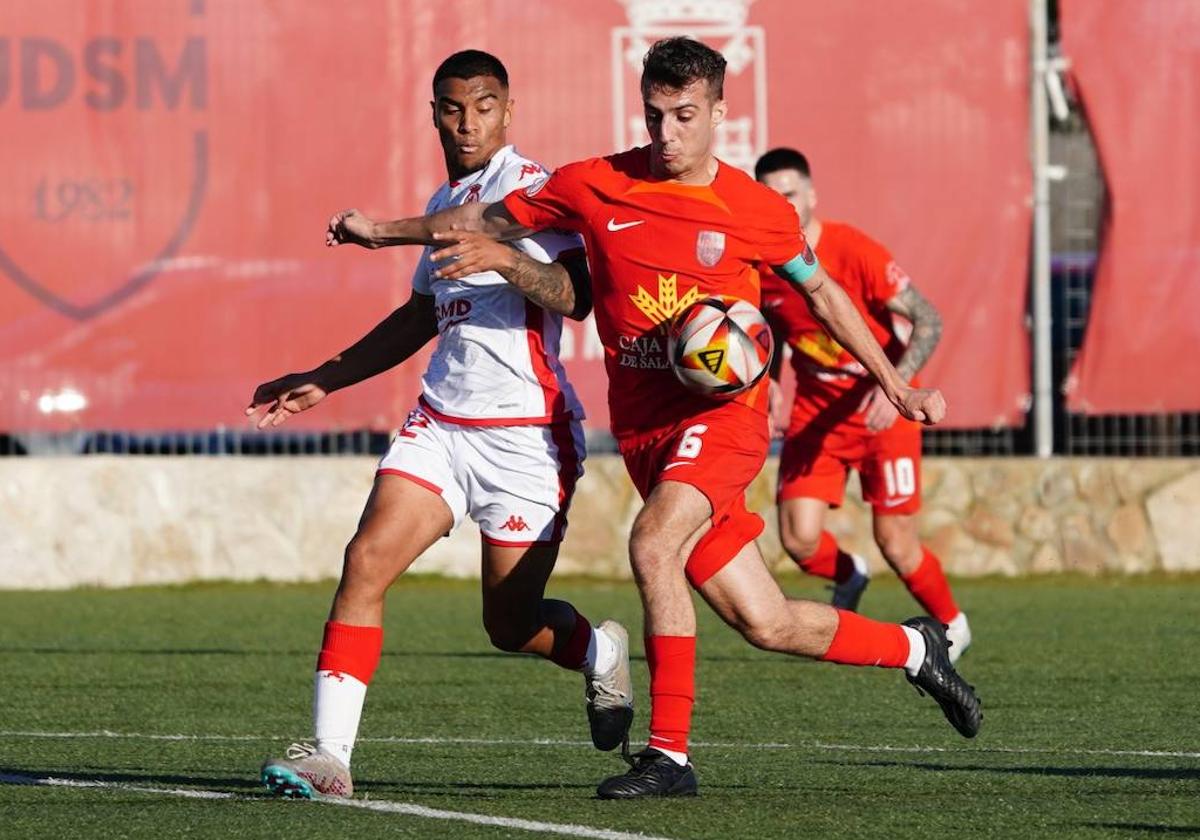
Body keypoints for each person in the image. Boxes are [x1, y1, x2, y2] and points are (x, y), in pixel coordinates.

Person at [327, 37, 981, 800]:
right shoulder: (595, 183)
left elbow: (825, 293)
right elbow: (487, 216)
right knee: (762, 619)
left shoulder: (754, 208)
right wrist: (381, 231)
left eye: (685, 116)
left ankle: (669, 756)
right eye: (654, 115)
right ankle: (916, 648)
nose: (667, 133)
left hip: (724, 420)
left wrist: (897, 386)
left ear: (718, 115)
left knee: (653, 543)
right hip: (645, 433)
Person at [251, 50, 633, 800]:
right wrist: (323, 378)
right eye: (453, 108)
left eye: (483, 106)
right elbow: (421, 316)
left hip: (527, 437)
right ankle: (330, 759)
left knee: (510, 625)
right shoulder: (442, 196)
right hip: (442, 426)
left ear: (509, 109)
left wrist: (502, 257)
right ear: (434, 114)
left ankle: (597, 648)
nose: (467, 123)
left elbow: (574, 295)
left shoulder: (535, 189)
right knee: (365, 562)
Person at [755, 148, 972, 661]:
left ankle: (952, 625)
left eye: (790, 194)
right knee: (799, 539)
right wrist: (772, 381)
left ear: (811, 195)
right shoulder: (763, 262)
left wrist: (891, 382)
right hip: (816, 410)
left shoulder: (855, 252)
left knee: (897, 543)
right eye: (770, 195)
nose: (781, 204)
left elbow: (929, 319)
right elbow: (774, 328)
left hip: (883, 409)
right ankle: (849, 572)